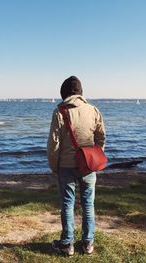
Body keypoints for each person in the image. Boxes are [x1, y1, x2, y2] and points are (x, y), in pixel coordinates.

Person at [47, 76, 106, 256]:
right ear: (81, 92)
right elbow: (101, 137)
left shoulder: (60, 112)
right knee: (88, 204)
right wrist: (94, 156)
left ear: (64, 93)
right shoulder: (93, 110)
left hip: (66, 166)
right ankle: (88, 243)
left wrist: (53, 165)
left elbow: (54, 144)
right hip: (88, 166)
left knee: (67, 204)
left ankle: (67, 244)